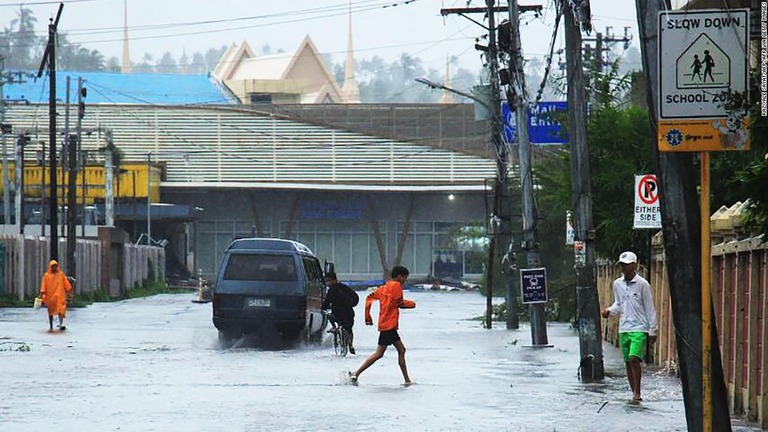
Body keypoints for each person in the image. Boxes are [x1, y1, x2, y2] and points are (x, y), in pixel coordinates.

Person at [601, 251, 658, 402]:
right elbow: (618, 304)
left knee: (634, 358)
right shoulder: (617, 284)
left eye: (626, 265)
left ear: (634, 265)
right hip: (624, 328)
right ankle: (634, 392)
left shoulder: (643, 285)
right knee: (627, 361)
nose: (624, 268)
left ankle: (637, 392)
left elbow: (649, 308)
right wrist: (609, 311)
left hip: (639, 328)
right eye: (622, 265)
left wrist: (653, 330)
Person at [349, 265, 416, 385]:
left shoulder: (384, 287)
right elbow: (399, 303)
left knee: (393, 351)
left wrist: (367, 316)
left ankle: (407, 380)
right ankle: (356, 373)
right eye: (405, 278)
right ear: (400, 276)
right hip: (389, 325)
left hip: (385, 324)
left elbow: (369, 297)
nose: (405, 280)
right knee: (389, 352)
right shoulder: (396, 286)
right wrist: (412, 304)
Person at [322, 272, 358, 354]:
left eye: (328, 281)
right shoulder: (345, 288)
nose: (327, 283)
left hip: (337, 314)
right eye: (326, 281)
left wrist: (324, 307)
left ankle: (334, 327)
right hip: (349, 313)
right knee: (349, 329)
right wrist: (352, 304)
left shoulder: (331, 291)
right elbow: (355, 297)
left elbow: (326, 303)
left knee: (328, 314)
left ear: (334, 280)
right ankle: (350, 344)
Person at [38, 260, 73, 332]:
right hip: (51, 297)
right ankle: (51, 326)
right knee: (51, 311)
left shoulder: (61, 274)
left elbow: (66, 284)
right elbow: (43, 286)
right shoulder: (46, 276)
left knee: (61, 309)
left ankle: (61, 324)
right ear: (50, 267)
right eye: (53, 266)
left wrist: (69, 293)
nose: (55, 268)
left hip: (60, 296)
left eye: (56, 266)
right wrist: (41, 294)